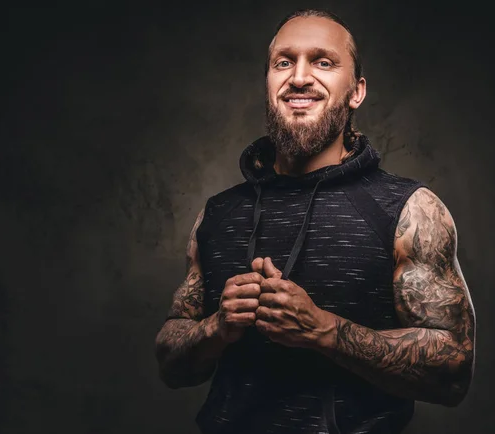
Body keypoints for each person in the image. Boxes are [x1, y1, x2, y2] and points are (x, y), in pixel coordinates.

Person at [155, 8, 476, 434]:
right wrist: (217, 327)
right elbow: (172, 366)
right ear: (269, 82)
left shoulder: (408, 210)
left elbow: (453, 370)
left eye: (323, 62)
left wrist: (323, 330)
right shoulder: (218, 215)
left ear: (356, 91)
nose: (300, 77)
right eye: (284, 62)